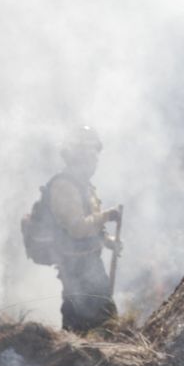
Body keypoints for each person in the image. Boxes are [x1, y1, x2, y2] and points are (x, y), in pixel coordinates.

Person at [46, 125, 122, 333]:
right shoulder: (64, 186)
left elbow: (93, 227)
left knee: (94, 321)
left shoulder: (84, 185)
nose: (94, 161)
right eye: (89, 155)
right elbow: (78, 228)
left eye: (95, 155)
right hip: (76, 267)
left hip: (90, 263)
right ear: (76, 155)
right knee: (96, 322)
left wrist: (107, 240)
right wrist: (108, 215)